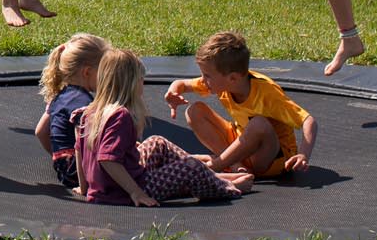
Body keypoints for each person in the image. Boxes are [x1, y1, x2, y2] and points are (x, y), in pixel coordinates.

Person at [74, 48, 250, 206]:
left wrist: (85, 188)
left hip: (110, 187)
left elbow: (79, 150)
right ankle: (226, 186)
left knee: (157, 142)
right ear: (131, 84)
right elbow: (108, 159)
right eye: (141, 81)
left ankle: (211, 176)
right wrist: (136, 192)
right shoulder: (120, 116)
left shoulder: (88, 113)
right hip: (128, 190)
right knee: (190, 167)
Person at [164, 31, 318, 178]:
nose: (203, 80)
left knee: (259, 124)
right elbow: (182, 84)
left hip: (272, 158)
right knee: (194, 111)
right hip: (243, 142)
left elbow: (308, 121)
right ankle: (235, 164)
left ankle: (217, 164)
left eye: (207, 75)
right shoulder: (223, 82)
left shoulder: (267, 94)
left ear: (232, 78)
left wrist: (303, 154)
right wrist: (173, 91)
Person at [34, 32, 109, 191]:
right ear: (87, 72)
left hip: (65, 170)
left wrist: (59, 157)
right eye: (104, 71)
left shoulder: (59, 96)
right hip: (79, 172)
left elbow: (40, 131)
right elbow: (83, 144)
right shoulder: (82, 101)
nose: (107, 77)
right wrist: (84, 185)